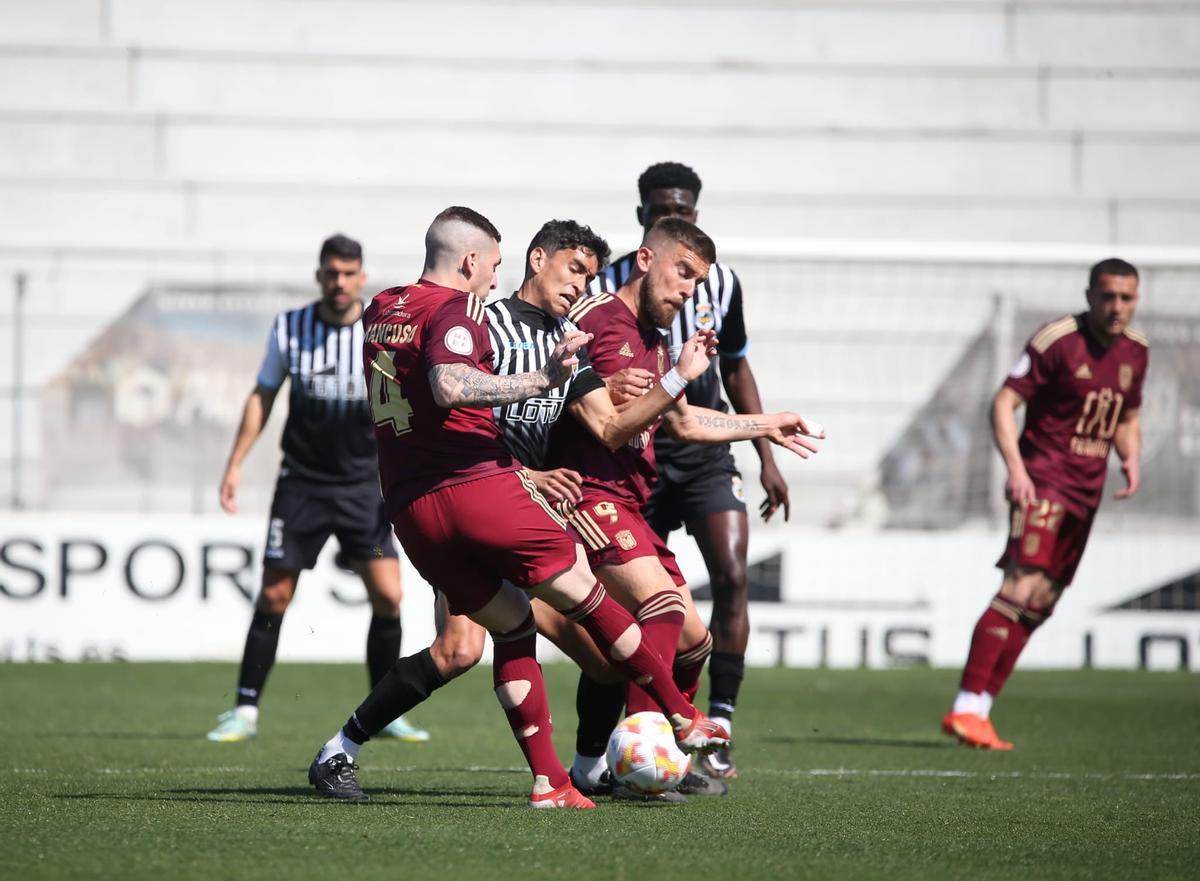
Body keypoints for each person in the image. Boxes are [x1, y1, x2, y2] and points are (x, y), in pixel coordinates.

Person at [323, 217, 819, 804]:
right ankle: (343, 749)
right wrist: (527, 471)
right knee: (459, 650)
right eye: (574, 271)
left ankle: (581, 771)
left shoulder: (568, 337)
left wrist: (705, 403)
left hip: (515, 507)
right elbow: (453, 412)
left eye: (588, 276)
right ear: (536, 261)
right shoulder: (486, 321)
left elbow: (609, 423)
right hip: (480, 498)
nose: (582, 287)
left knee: (604, 661)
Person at [558, 216, 821, 797]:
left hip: (632, 502)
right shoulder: (597, 317)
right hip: (590, 498)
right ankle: (646, 757)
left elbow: (681, 421)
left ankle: (596, 767)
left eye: (698, 281)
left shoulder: (651, 342)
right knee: (660, 609)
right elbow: (602, 424)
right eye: (683, 273)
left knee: (694, 641)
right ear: (647, 261)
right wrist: (671, 378)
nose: (689, 291)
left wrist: (766, 425)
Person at [586, 161, 788, 779]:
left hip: (689, 448)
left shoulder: (715, 286)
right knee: (639, 623)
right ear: (644, 224)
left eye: (685, 209)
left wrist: (766, 441)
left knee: (721, 589)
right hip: (618, 470)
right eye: (660, 209)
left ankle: (711, 723)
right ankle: (611, 749)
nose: (688, 290)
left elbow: (722, 381)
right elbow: (612, 420)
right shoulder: (608, 299)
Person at [206, 234, 428, 744]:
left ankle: (387, 711)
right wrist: (235, 464)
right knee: (274, 593)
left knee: (389, 596)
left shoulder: (381, 331)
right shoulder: (291, 328)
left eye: (349, 274)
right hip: (302, 485)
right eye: (332, 273)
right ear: (319, 276)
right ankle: (244, 710)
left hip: (362, 488)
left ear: (362, 277)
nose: (340, 283)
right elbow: (263, 395)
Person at [943, 257, 1148, 749]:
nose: (1116, 306)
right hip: (1044, 481)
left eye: (1126, 297)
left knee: (1043, 601)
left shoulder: (1136, 351)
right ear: (1089, 294)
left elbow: (1127, 414)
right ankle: (965, 704)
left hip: (1087, 489)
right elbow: (1003, 402)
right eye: (1108, 296)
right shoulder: (1057, 340)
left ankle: (981, 711)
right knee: (1021, 586)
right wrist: (1015, 468)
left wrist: (1132, 456)